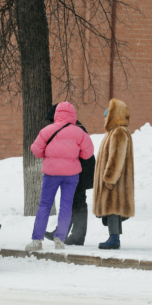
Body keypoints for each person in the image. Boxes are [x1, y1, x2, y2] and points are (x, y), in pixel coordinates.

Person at [25, 102, 94, 251]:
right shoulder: (79, 132)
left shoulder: (47, 130)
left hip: (51, 174)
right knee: (66, 207)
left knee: (44, 205)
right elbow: (88, 153)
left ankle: (37, 241)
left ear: (56, 114)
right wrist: (75, 155)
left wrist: (49, 155)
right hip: (71, 175)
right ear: (73, 115)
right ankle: (59, 239)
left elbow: (36, 150)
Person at [43, 104, 96, 245]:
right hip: (77, 171)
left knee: (77, 203)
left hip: (79, 172)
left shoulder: (75, 129)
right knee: (73, 202)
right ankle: (63, 233)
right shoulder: (75, 127)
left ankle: (77, 236)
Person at [93, 98, 135, 250]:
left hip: (115, 180)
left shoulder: (118, 132)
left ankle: (114, 237)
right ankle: (114, 236)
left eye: (107, 115)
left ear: (113, 116)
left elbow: (116, 158)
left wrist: (109, 178)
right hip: (117, 180)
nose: (104, 119)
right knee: (114, 208)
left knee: (112, 206)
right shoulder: (115, 132)